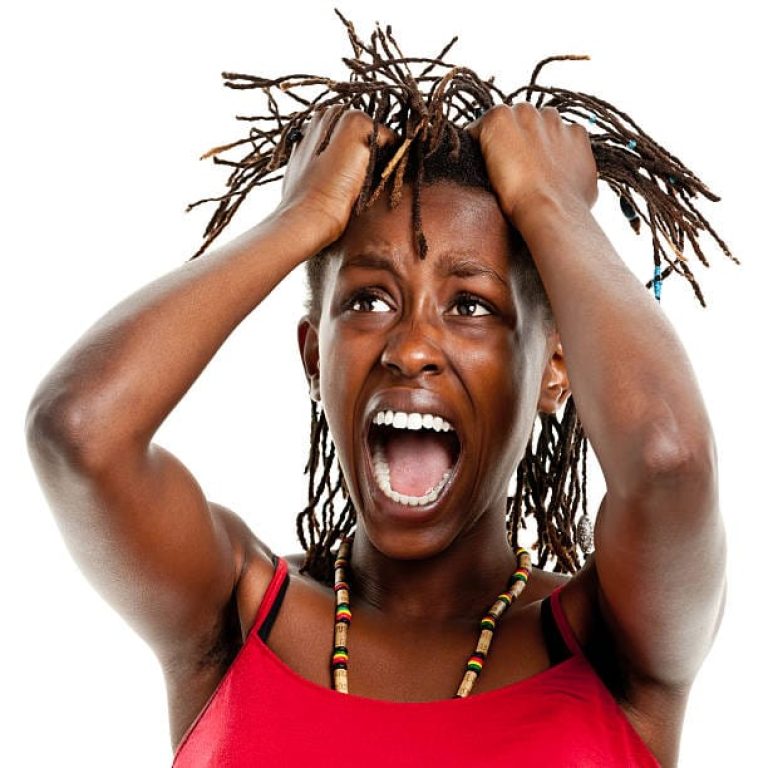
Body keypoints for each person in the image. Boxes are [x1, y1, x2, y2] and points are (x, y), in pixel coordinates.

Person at [25, 14, 733, 767]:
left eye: (471, 306)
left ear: (557, 371)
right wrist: (299, 220)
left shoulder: (614, 641)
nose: (412, 347)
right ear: (312, 358)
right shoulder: (236, 613)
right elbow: (79, 431)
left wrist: (550, 203)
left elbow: (668, 459)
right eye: (367, 300)